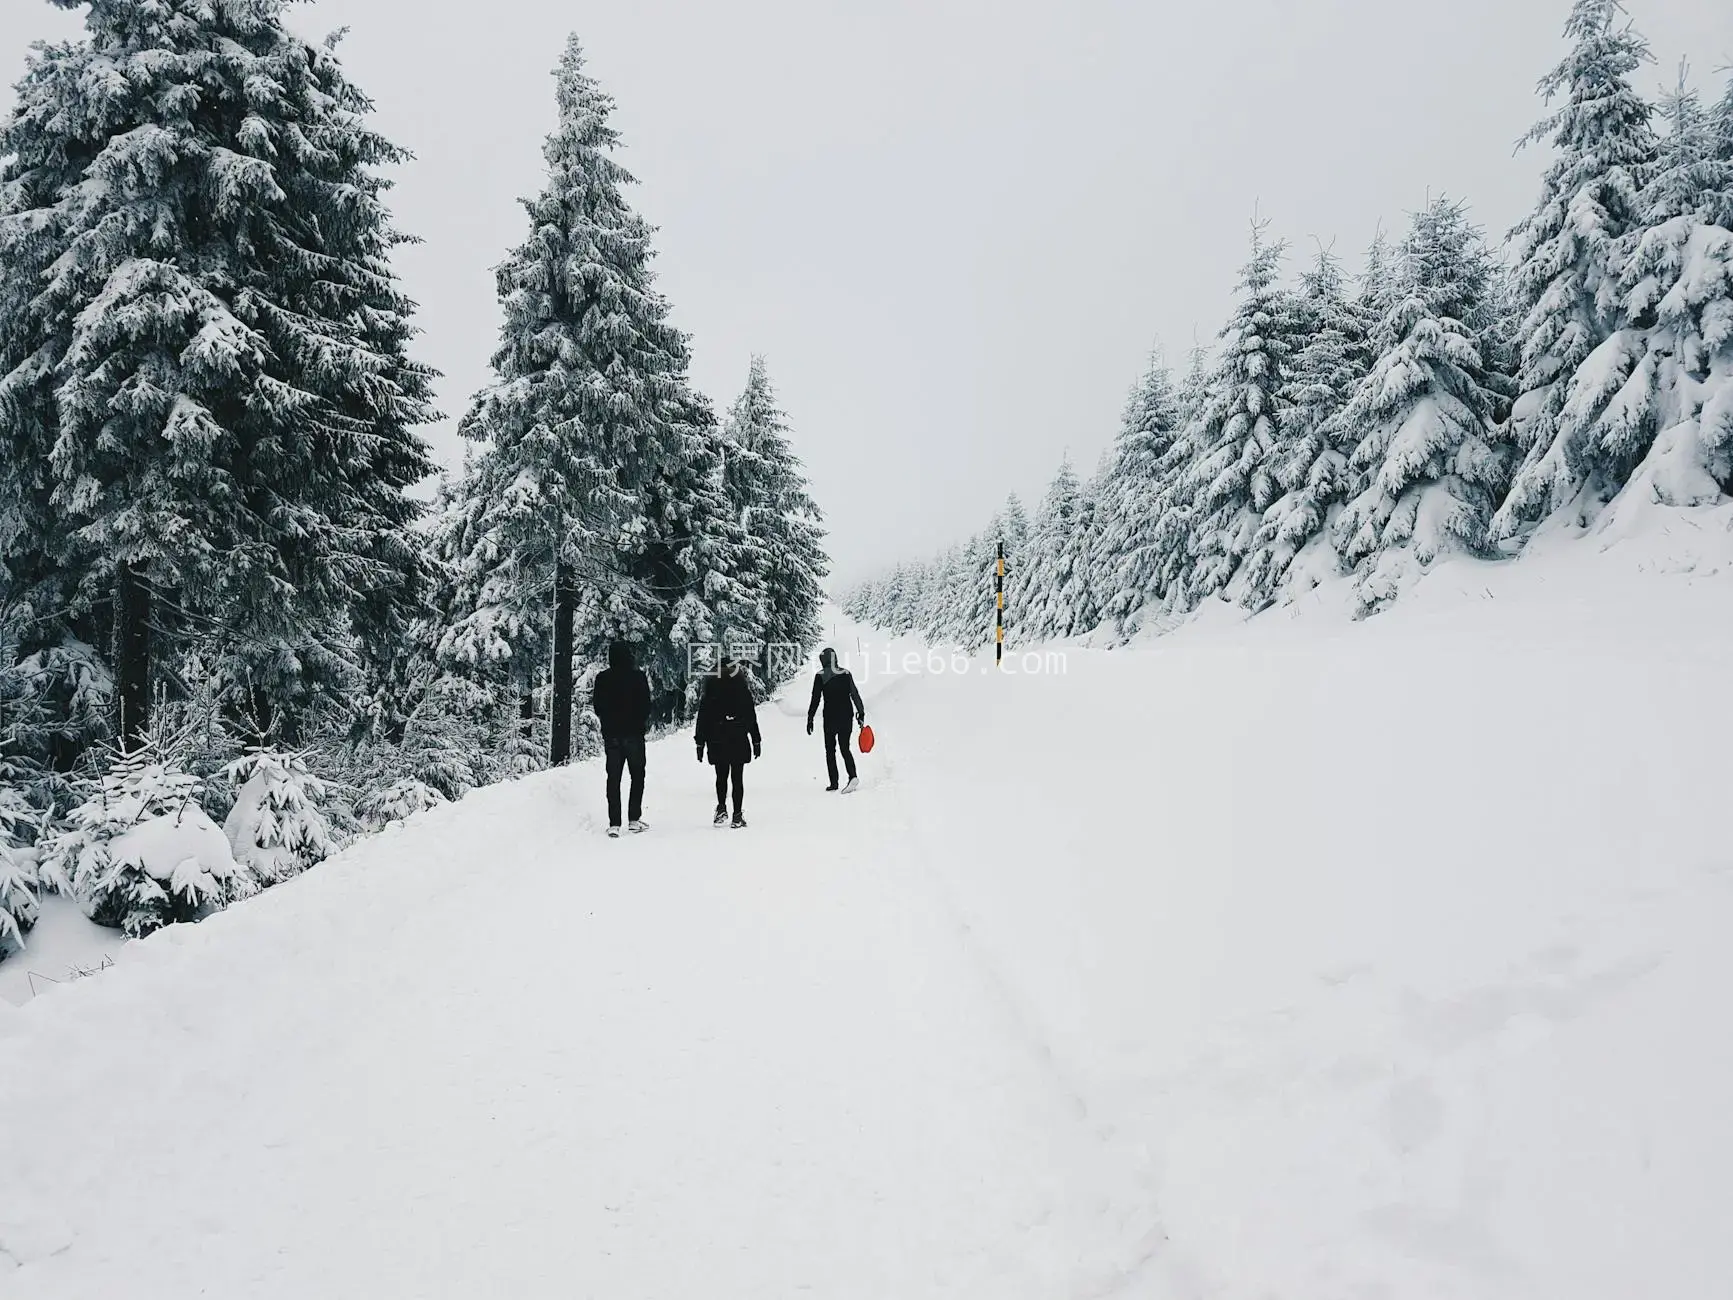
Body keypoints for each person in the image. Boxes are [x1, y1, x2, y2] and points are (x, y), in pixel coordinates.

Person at [592, 640, 651, 838]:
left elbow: (598, 707)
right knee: (637, 776)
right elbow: (646, 706)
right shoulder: (638, 677)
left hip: (612, 736)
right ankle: (634, 819)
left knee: (613, 779)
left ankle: (614, 823)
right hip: (634, 734)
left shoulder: (602, 679)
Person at [695, 655, 761, 829]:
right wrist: (756, 740)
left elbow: (702, 718)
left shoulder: (710, 690)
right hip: (738, 735)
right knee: (737, 778)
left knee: (721, 776)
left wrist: (700, 743)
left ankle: (721, 807)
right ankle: (737, 815)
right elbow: (750, 717)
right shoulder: (741, 689)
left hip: (716, 737)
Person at [806, 647, 865, 793]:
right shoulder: (846, 673)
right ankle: (853, 776)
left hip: (831, 718)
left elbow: (815, 698)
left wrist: (810, 717)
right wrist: (861, 712)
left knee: (830, 750)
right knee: (845, 747)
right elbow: (854, 693)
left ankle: (834, 783)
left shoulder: (820, 676)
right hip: (846, 716)